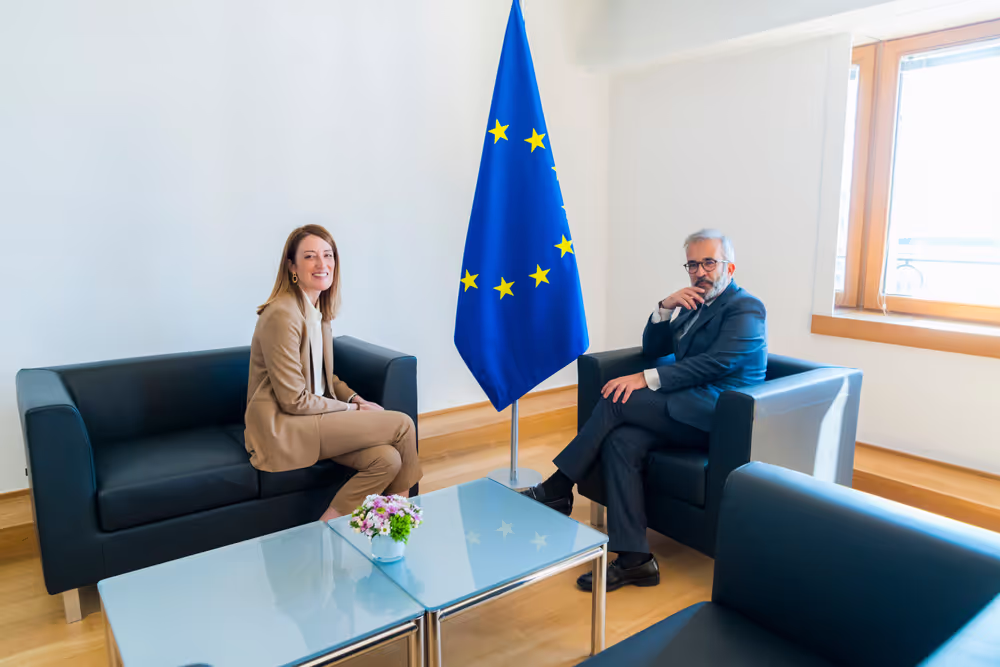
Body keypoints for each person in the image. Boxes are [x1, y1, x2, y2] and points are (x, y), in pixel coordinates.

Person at [522, 229, 767, 591]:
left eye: (709, 263)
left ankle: (558, 486)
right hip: (683, 403)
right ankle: (636, 559)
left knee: (616, 399)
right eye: (693, 264)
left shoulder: (745, 307)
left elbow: (716, 364)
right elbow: (652, 346)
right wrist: (664, 308)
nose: (700, 272)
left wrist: (645, 378)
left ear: (729, 266)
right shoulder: (692, 303)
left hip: (719, 413)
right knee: (622, 440)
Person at [244, 225, 422, 523]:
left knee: (386, 459)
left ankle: (324, 532)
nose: (322, 264)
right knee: (402, 425)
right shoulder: (282, 314)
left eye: (328, 255)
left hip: (315, 419)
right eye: (310, 256)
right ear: (292, 266)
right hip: (285, 426)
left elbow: (325, 380)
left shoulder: (318, 314)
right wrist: (353, 410)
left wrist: (357, 398)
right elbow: (293, 400)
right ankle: (403, 523)